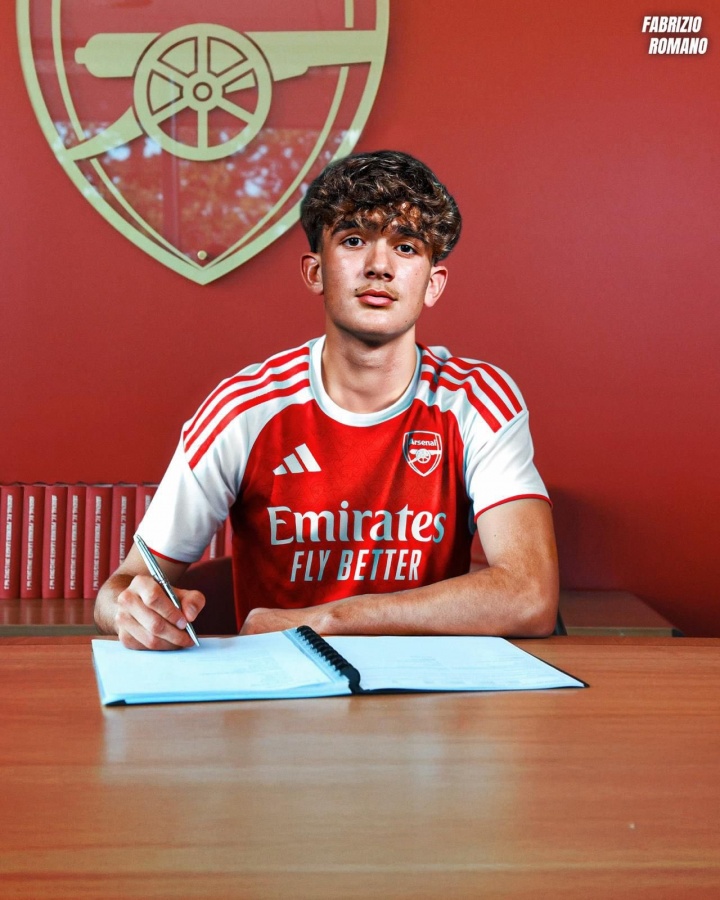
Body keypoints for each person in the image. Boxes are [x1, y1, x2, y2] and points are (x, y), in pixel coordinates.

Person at [95, 149, 559, 650]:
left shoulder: (477, 400)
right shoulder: (243, 409)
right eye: (354, 240)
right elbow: (118, 590)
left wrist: (328, 620)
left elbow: (530, 594)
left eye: (406, 247)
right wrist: (133, 611)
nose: (379, 266)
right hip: (282, 687)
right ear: (315, 272)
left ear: (433, 284)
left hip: (428, 687)